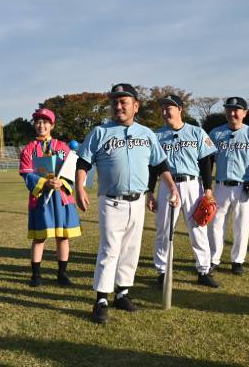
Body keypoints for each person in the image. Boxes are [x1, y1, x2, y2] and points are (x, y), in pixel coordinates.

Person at [75, 83, 180, 324]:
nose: (118, 106)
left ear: (136, 106)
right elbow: (83, 162)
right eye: (115, 102)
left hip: (138, 200)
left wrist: (172, 187)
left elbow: (160, 164)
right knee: (110, 249)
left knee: (131, 250)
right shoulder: (100, 132)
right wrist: (79, 187)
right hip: (111, 201)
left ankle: (122, 293)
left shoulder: (147, 134)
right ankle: (101, 299)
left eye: (124, 102)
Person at [146, 94, 219, 288]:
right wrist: (150, 192)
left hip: (192, 185)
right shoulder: (156, 136)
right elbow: (153, 166)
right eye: (162, 108)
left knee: (197, 228)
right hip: (166, 185)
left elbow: (206, 162)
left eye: (169, 107)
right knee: (163, 228)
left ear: (180, 109)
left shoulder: (197, 132)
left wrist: (208, 190)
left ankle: (203, 270)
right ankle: (162, 271)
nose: (164, 111)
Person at [207, 97, 249, 276]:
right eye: (229, 109)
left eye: (237, 110)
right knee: (215, 225)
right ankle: (213, 259)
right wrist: (206, 185)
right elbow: (208, 161)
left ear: (245, 113)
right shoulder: (215, 133)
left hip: (244, 187)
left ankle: (238, 261)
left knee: (241, 226)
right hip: (220, 186)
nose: (232, 113)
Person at [19, 108, 81, 287]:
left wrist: (62, 183)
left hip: (61, 198)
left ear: (52, 125)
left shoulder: (62, 147)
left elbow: (71, 170)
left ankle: (62, 274)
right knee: (39, 238)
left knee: (63, 237)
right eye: (38, 121)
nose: (41, 125)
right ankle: (36, 275)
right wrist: (45, 183)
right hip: (41, 199)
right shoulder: (28, 150)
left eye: (45, 122)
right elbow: (27, 174)